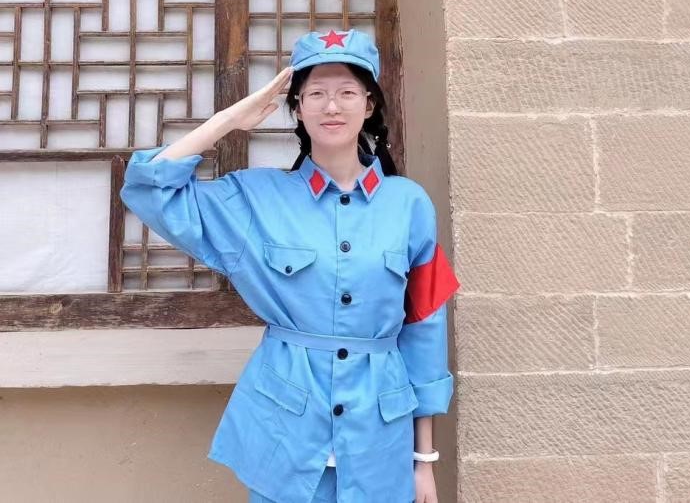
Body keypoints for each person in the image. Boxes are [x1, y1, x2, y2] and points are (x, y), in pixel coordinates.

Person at [120, 28, 460, 503]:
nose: (331, 106)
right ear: (297, 108)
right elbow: (148, 188)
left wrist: (424, 461)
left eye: (347, 92)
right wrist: (229, 119)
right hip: (286, 434)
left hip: (381, 440)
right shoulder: (255, 198)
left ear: (369, 105)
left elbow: (425, 329)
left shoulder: (410, 204)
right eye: (315, 93)